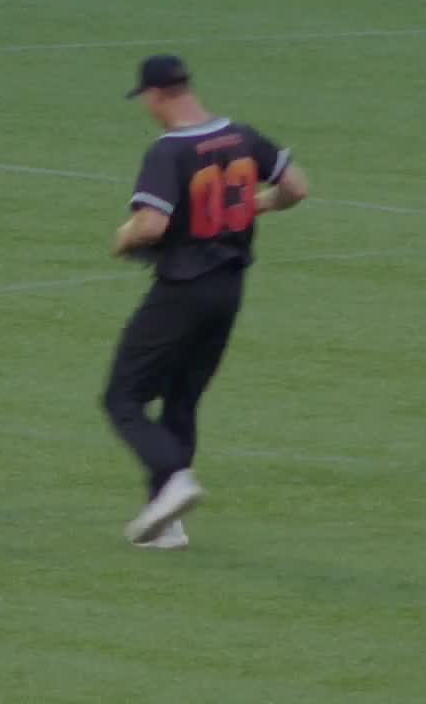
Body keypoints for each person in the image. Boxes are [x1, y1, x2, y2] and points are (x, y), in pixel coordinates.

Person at [103, 54, 310, 549]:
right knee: (182, 396)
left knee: (123, 397)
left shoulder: (169, 151)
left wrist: (124, 238)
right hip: (229, 288)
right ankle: (167, 524)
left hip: (182, 289)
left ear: (156, 96)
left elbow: (151, 225)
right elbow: (296, 187)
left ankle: (173, 477)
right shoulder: (241, 135)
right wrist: (254, 203)